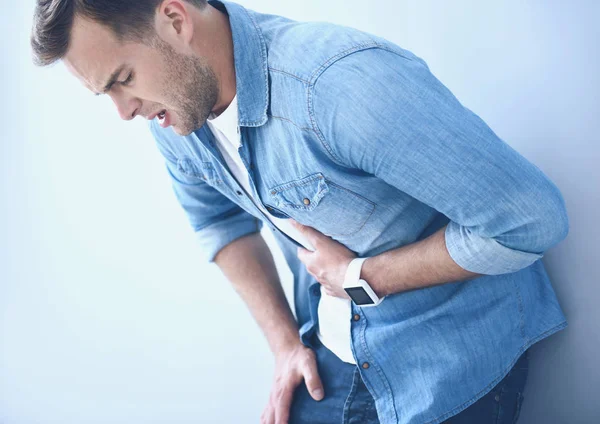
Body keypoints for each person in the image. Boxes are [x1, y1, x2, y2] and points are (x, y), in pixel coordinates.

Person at [30, 1, 569, 423]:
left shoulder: (340, 87)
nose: (124, 113)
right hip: (329, 352)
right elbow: (218, 224)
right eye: (106, 94)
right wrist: (285, 344)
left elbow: (528, 220)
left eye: (122, 79)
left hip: (447, 357)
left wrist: (360, 278)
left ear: (174, 19)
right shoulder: (175, 117)